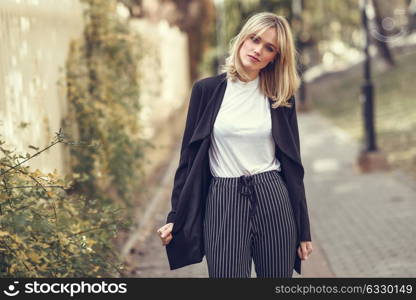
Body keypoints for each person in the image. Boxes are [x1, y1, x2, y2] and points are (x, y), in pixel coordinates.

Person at [157, 12, 312, 278]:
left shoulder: (281, 97)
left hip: (273, 196)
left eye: (269, 48)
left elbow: (293, 167)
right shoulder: (206, 91)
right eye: (255, 39)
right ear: (242, 39)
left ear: (276, 57)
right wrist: (175, 216)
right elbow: (188, 160)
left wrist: (303, 229)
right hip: (223, 199)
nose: (258, 50)